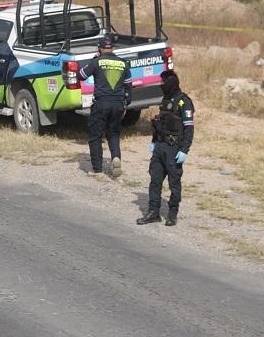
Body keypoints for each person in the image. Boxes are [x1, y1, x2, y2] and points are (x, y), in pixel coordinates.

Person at [137, 70, 194, 227]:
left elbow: (189, 129)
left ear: (170, 83)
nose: (161, 85)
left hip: (174, 149)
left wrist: (184, 150)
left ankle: (172, 214)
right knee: (155, 180)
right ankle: (153, 212)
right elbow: (160, 124)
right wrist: (154, 141)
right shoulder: (165, 100)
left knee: (174, 183)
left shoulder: (184, 102)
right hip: (160, 147)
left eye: (163, 83)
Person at [79, 36, 132, 177]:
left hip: (101, 103)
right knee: (113, 134)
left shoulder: (97, 62)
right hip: (118, 104)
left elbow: (81, 75)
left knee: (95, 136)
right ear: (113, 48)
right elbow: (129, 86)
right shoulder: (123, 63)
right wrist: (125, 104)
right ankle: (116, 158)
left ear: (99, 49)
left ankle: (97, 170)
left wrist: (93, 60)